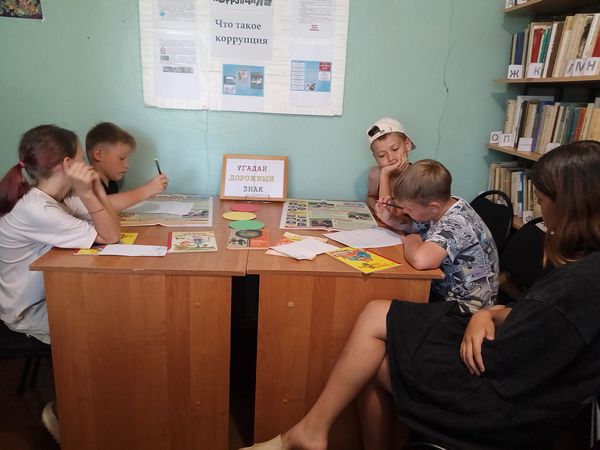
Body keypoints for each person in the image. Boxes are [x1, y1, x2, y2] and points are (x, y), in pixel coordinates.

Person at [240, 140, 600, 450]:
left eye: (541, 200)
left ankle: (309, 432)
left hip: (490, 394)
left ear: (569, 205)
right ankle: (311, 432)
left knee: (373, 335)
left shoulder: (579, 284)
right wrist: (489, 314)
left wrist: (479, 311)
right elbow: (531, 321)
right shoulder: (578, 272)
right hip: (488, 338)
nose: (540, 211)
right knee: (372, 342)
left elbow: (516, 361)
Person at [0, 125, 122, 444]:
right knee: (107, 336)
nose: (87, 164)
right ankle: (72, 417)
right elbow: (111, 236)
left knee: (116, 317)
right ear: (68, 164)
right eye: (82, 157)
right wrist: (89, 192)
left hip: (50, 294)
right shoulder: (37, 208)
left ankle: (102, 409)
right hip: (27, 311)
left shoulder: (56, 197)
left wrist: (93, 190)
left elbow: (112, 225)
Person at [377, 159, 498, 311]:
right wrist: (390, 219)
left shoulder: (456, 223)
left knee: (382, 306)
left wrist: (411, 239)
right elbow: (416, 226)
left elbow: (420, 260)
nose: (405, 212)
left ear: (433, 207)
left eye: (408, 209)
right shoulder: (444, 203)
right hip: (444, 293)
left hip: (466, 308)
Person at [85, 122, 169, 210]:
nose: (126, 165)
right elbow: (99, 206)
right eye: (122, 158)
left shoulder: (112, 185)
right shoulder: (88, 184)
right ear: (99, 154)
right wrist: (148, 189)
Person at [366, 117, 415, 214]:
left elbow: (396, 213)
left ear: (407, 145)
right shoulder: (375, 174)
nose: (390, 158)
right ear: (375, 158)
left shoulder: (418, 176)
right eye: (382, 155)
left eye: (395, 149)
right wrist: (377, 210)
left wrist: (385, 174)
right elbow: (370, 197)